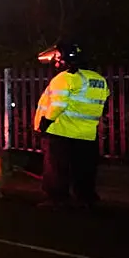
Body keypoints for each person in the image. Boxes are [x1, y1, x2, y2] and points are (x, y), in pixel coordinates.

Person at [33, 41, 110, 208]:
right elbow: (103, 104)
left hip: (61, 131)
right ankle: (86, 199)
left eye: (57, 57)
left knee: (56, 169)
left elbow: (57, 105)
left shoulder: (64, 78)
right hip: (87, 133)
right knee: (84, 169)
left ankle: (57, 199)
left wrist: (44, 124)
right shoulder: (98, 79)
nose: (55, 61)